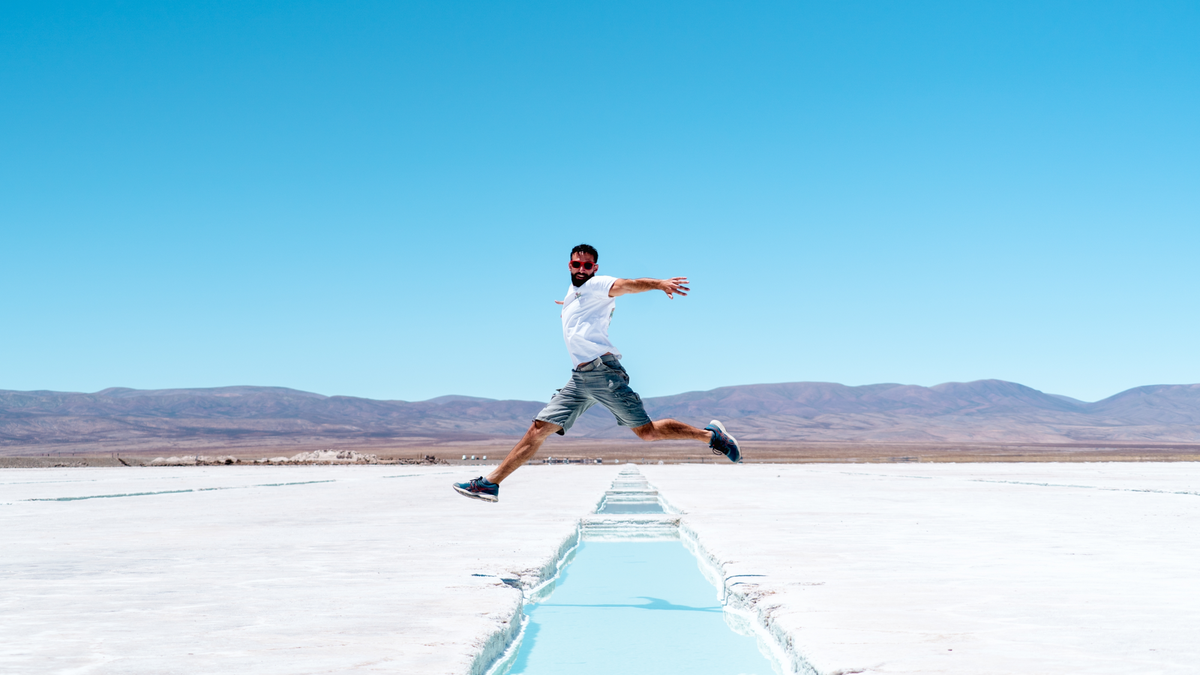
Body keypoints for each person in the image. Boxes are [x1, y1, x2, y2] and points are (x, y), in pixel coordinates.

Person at [453, 244, 740, 502]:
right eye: (576, 265)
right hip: (579, 379)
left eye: (587, 266)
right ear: (569, 265)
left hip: (603, 373)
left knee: (647, 433)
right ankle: (490, 484)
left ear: (595, 268)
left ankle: (711, 436)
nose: (581, 270)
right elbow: (582, 307)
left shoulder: (598, 285)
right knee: (538, 429)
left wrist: (658, 284)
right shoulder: (575, 293)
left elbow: (629, 285)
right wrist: (568, 305)